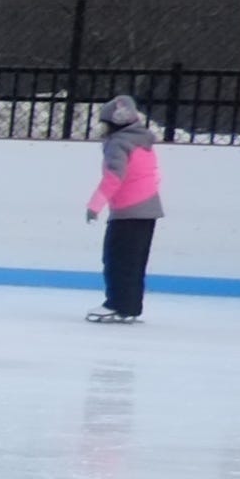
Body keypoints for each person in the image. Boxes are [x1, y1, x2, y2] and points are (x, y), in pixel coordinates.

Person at [83, 94, 163, 325]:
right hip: (148, 209)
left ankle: (117, 305)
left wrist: (94, 205)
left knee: (117, 259)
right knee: (135, 261)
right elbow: (155, 175)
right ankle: (131, 306)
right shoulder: (144, 140)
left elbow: (113, 177)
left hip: (129, 211)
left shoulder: (118, 143)